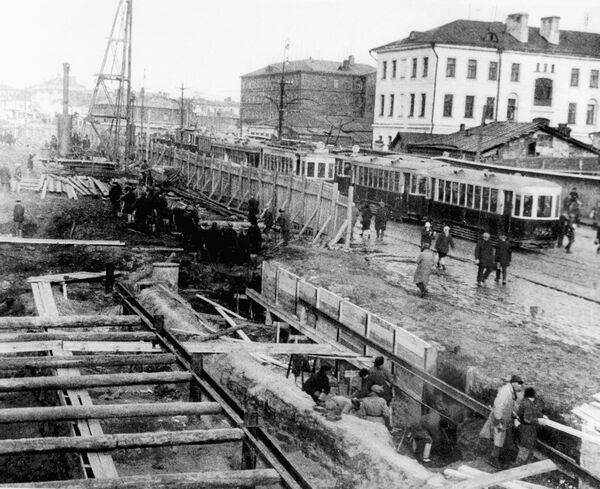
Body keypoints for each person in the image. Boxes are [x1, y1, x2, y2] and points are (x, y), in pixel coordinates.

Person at [479, 374, 524, 468]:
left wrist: (513, 414)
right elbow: (499, 406)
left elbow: (508, 405)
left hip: (504, 418)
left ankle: (495, 457)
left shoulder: (511, 391)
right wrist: (498, 421)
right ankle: (493, 459)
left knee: (499, 438)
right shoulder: (505, 392)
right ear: (514, 383)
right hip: (499, 418)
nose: (520, 386)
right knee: (498, 438)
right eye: (519, 384)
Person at [515, 387, 546, 465]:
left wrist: (542, 415)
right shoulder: (528, 404)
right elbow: (526, 419)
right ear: (533, 396)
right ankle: (518, 466)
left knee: (527, 447)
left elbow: (534, 410)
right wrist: (538, 421)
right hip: (526, 429)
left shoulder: (526, 401)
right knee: (525, 448)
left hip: (526, 428)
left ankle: (523, 464)